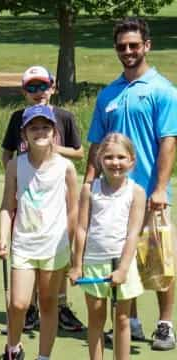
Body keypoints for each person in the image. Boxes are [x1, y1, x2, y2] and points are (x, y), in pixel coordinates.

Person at [84, 17, 177, 350]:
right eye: (122, 46)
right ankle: (132, 320)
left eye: (134, 45)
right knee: (119, 253)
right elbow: (97, 143)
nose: (128, 51)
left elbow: (169, 140)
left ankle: (165, 324)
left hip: (148, 192)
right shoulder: (109, 93)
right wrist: (89, 183)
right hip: (111, 194)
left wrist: (159, 188)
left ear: (147, 46)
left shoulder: (163, 91)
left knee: (159, 258)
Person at [1, 65, 84, 333]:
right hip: (28, 193)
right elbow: (7, 153)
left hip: (55, 188)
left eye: (43, 87)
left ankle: (60, 308)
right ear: (24, 92)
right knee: (29, 256)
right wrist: (16, 178)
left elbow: (79, 153)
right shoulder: (18, 118)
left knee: (55, 254)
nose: (38, 93)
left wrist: (50, 148)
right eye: (31, 88)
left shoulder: (64, 116)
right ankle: (31, 311)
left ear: (53, 87)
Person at [0, 104, 79, 360]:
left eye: (45, 127)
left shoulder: (66, 167)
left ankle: (44, 356)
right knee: (18, 303)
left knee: (48, 303)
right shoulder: (15, 165)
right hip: (23, 243)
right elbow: (7, 206)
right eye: (34, 127)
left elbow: (74, 210)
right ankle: (13, 348)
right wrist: (3, 237)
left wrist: (72, 246)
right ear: (24, 134)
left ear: (54, 132)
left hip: (55, 246)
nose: (40, 132)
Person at [69, 133, 146, 360]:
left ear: (132, 161)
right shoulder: (89, 189)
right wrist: (76, 265)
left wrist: (122, 269)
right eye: (109, 157)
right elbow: (81, 229)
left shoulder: (137, 192)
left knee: (122, 320)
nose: (116, 163)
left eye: (122, 157)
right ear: (100, 159)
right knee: (96, 321)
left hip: (123, 264)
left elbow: (133, 233)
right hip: (94, 263)